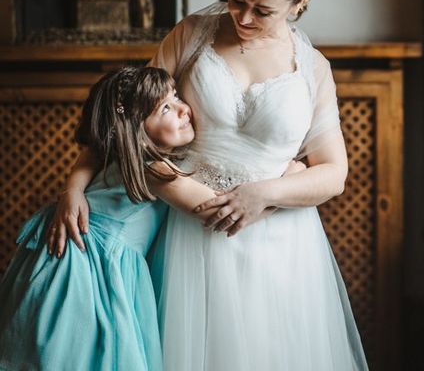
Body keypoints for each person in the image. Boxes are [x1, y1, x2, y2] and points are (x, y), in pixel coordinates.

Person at [51, 0, 368, 370]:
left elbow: (334, 173)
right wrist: (74, 185)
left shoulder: (313, 69)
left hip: (282, 243)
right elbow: (124, 117)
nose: (242, 16)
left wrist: (265, 194)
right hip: (191, 238)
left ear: (299, 4)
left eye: (263, 11)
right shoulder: (193, 33)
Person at [0, 66, 303, 370]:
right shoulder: (155, 171)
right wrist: (279, 190)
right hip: (88, 267)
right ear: (136, 132)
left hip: (78, 257)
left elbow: (90, 152)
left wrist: (73, 188)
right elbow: (220, 212)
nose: (184, 109)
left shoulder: (127, 154)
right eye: (166, 109)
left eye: (175, 96)